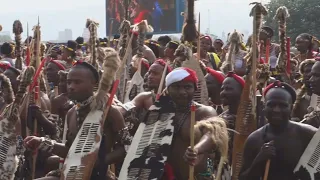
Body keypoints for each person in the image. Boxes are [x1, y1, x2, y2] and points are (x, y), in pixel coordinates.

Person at [24, 61, 129, 179]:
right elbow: (69, 151)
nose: (71, 86)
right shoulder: (71, 113)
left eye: (77, 82)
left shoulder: (108, 112)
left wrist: (98, 161)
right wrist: (41, 142)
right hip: (72, 174)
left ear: (94, 84)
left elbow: (125, 148)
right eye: (69, 82)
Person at [239, 81, 317, 180]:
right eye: (271, 105)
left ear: (291, 108)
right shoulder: (254, 140)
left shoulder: (309, 135)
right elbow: (243, 178)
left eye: (283, 105)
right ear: (264, 107)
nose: (276, 110)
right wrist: (259, 160)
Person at [163, 67, 217, 179]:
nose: (182, 92)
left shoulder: (204, 112)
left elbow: (211, 134)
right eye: (176, 87)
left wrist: (197, 149)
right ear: (168, 89)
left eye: (187, 87)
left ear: (195, 89)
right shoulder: (158, 112)